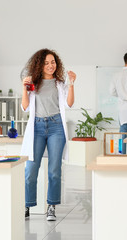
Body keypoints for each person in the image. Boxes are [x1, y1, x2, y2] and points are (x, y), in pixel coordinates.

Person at [21, 48, 75, 221]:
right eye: (46, 63)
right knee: (30, 169)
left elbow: (69, 104)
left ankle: (51, 206)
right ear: (39, 65)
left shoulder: (60, 83)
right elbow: (25, 107)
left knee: (54, 170)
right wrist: (24, 88)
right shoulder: (32, 83)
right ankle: (27, 205)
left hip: (56, 127)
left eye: (53, 62)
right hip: (36, 127)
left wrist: (72, 83)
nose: (50, 65)